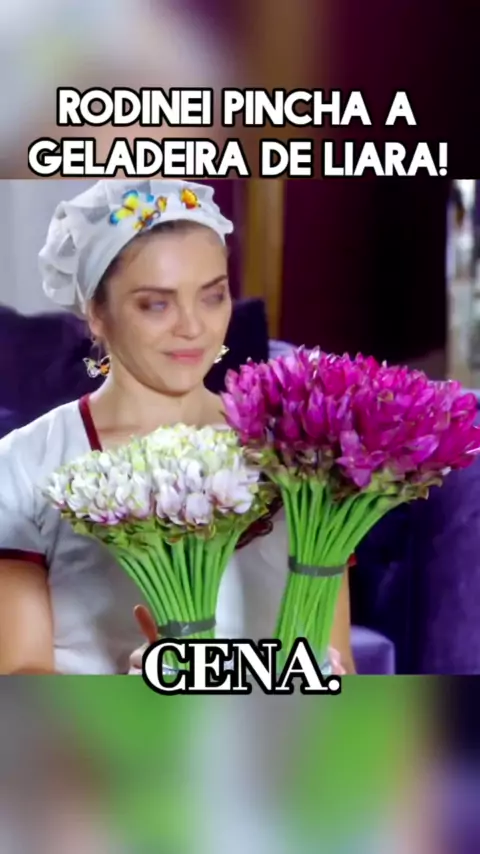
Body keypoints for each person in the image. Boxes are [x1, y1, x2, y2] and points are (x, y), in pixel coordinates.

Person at [0, 179, 355, 675]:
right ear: (96, 313)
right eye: (156, 304)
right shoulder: (24, 465)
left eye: (213, 296)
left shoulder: (298, 452)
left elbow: (340, 664)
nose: (193, 326)